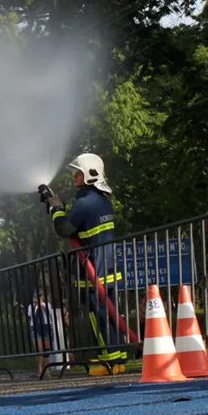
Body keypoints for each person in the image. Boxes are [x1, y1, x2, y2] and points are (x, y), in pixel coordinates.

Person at [40, 153, 131, 376]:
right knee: (111, 315)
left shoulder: (84, 203)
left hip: (92, 272)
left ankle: (107, 363)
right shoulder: (102, 201)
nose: (74, 176)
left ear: (90, 174)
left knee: (97, 315)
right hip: (109, 269)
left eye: (78, 173)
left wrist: (56, 209)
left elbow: (64, 229)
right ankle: (118, 361)